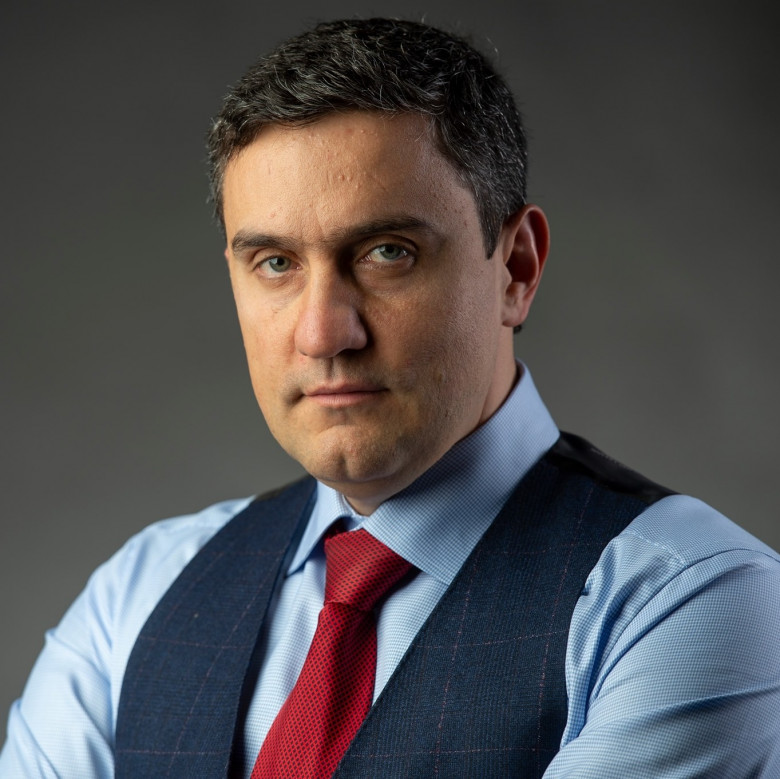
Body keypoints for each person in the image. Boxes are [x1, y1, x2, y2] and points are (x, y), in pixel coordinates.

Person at [2, 17, 779, 779]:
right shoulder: (138, 596)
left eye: (386, 253)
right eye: (275, 263)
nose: (323, 332)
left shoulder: (692, 602)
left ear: (516, 268)